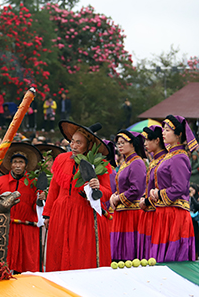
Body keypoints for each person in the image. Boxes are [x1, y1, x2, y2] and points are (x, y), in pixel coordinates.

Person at [43, 121, 113, 271]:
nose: (73, 146)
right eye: (72, 141)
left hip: (84, 215)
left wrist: (97, 186)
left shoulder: (100, 164)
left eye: (78, 143)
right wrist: (47, 214)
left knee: (82, 255)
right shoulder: (61, 159)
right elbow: (54, 189)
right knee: (59, 253)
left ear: (89, 146)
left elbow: (107, 193)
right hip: (61, 213)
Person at [137, 115, 196, 262]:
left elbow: (180, 187)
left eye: (168, 130)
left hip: (175, 214)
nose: (163, 132)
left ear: (179, 134)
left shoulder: (179, 157)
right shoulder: (171, 156)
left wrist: (158, 193)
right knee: (159, 258)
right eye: (163, 129)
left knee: (170, 259)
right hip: (164, 213)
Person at [0, 143, 44, 272]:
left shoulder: (33, 183)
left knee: (28, 266)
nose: (17, 165)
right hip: (6, 228)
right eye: (15, 162)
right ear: (10, 164)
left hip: (27, 228)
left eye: (21, 162)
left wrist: (41, 199)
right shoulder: (0, 181)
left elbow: (35, 207)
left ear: (26, 165)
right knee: (4, 263)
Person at [109, 130, 147, 261]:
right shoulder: (124, 163)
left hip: (132, 214)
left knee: (129, 253)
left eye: (123, 143)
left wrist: (118, 198)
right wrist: (113, 196)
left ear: (133, 144)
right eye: (118, 143)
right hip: (122, 213)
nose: (119, 146)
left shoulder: (137, 163)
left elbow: (136, 189)